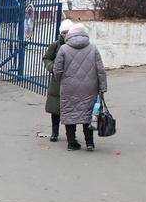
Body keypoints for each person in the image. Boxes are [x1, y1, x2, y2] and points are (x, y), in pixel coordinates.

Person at [53, 23, 108, 151]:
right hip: (90, 87)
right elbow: (100, 70)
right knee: (88, 114)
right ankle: (89, 143)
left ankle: (72, 143)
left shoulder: (64, 49)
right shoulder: (93, 48)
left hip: (69, 87)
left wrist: (62, 81)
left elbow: (57, 70)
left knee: (69, 113)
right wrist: (102, 87)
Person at [42, 19, 73, 142]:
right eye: (64, 32)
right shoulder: (55, 45)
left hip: (71, 80)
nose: (66, 35)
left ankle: (70, 134)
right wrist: (51, 68)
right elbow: (46, 58)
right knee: (55, 108)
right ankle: (54, 132)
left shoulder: (76, 45)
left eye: (68, 32)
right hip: (57, 81)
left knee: (70, 109)